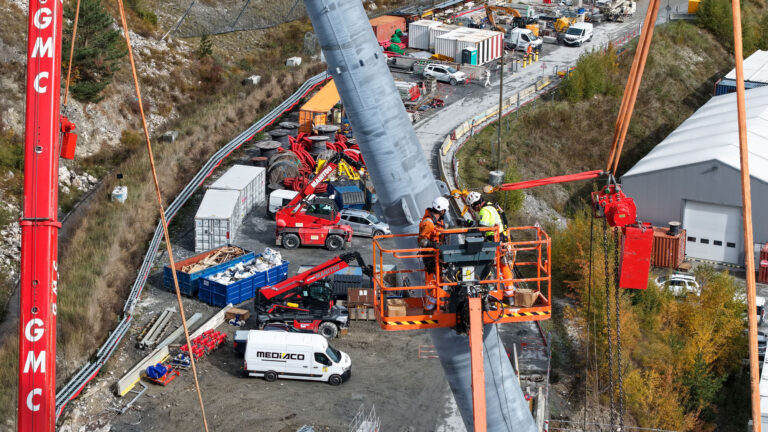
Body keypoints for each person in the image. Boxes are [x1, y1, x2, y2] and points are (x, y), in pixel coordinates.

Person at [467, 192, 516, 306]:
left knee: (486, 264)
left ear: (476, 204)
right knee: (504, 267)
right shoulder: (491, 207)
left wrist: (470, 227)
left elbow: (481, 228)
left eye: (474, 207)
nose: (475, 210)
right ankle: (509, 296)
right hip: (501, 241)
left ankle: (488, 291)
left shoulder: (484, 210)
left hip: (496, 243)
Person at [418, 196, 449, 314]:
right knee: (432, 281)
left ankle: (437, 303)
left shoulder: (435, 221)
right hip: (430, 256)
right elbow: (422, 241)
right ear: (442, 211)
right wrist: (434, 245)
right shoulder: (428, 223)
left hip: (436, 255)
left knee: (442, 279)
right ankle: (430, 307)